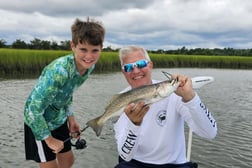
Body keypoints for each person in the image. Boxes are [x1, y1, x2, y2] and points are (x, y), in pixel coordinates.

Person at [113, 45, 217, 168]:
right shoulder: (120, 101)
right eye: (128, 67)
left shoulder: (175, 92)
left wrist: (190, 98)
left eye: (141, 64)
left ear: (150, 66)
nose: (136, 71)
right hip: (135, 163)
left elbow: (210, 133)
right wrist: (134, 125)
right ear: (124, 72)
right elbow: (125, 156)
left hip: (174, 164)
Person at [24, 17, 105, 168]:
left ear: (101, 48)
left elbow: (68, 92)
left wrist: (71, 119)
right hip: (38, 121)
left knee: (68, 161)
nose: (89, 57)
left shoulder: (89, 67)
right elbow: (31, 109)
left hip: (59, 119)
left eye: (95, 50)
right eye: (83, 49)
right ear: (73, 46)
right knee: (50, 165)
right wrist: (48, 139)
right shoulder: (58, 71)